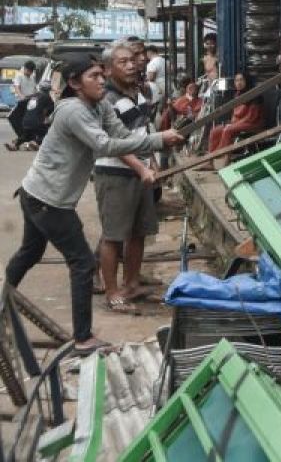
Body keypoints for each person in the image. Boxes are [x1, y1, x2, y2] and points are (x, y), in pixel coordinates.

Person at [4, 57, 183, 355]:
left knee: (31, 252)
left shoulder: (100, 106)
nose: (101, 80)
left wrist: (154, 144)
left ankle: (3, 301)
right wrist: (158, 140)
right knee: (84, 263)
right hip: (47, 200)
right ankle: (83, 338)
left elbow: (122, 136)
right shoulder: (73, 111)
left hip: (39, 195)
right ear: (75, 83)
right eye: (94, 76)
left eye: (102, 75)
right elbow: (105, 146)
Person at [94, 41, 162, 312]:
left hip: (140, 171)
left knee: (138, 231)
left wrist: (151, 161)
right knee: (113, 235)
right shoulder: (106, 100)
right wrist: (141, 167)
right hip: (115, 173)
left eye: (132, 60)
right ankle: (112, 293)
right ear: (108, 70)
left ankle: (132, 283)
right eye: (123, 62)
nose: (132, 65)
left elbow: (143, 130)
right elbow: (113, 143)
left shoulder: (137, 93)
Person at [207, 72, 265, 156]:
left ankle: (221, 156)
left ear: (247, 81)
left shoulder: (254, 95)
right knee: (215, 131)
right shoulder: (237, 95)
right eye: (236, 80)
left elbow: (251, 117)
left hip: (253, 124)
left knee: (227, 130)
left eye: (241, 80)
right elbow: (235, 114)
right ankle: (210, 158)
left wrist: (233, 125)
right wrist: (231, 123)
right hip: (239, 123)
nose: (239, 83)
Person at [6, 62, 39, 150]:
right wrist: (21, 96)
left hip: (30, 101)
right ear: (25, 68)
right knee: (13, 118)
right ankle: (23, 139)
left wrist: (36, 95)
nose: (29, 72)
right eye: (28, 70)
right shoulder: (19, 75)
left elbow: (34, 88)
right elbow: (17, 87)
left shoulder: (32, 77)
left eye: (31, 71)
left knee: (24, 122)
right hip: (22, 101)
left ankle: (24, 140)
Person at [19, 81, 54, 149]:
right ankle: (35, 142)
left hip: (25, 121)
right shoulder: (47, 97)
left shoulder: (32, 96)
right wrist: (46, 116)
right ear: (48, 89)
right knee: (48, 133)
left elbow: (21, 103)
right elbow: (52, 109)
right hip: (37, 122)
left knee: (27, 134)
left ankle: (16, 144)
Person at [145, 45, 166, 113]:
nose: (146, 56)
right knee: (163, 106)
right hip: (165, 84)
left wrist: (146, 78)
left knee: (156, 107)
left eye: (146, 53)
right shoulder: (163, 60)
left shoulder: (152, 62)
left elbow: (151, 77)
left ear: (149, 52)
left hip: (156, 87)